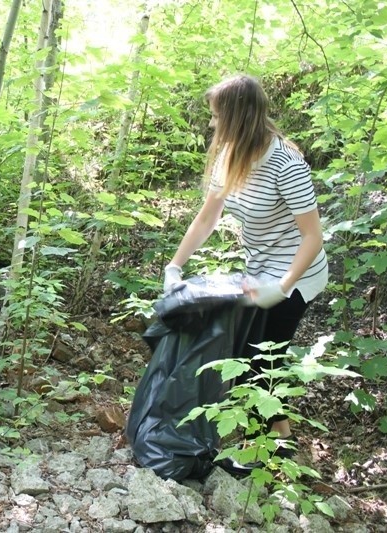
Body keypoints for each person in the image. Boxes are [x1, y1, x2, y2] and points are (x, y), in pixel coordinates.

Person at [163, 74, 329, 458]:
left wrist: (284, 286)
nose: (211, 124)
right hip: (261, 269)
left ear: (236, 116)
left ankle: (263, 451)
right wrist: (175, 266)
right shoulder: (230, 156)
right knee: (252, 354)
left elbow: (312, 236)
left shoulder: (286, 163)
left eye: (216, 116)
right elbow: (207, 219)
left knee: (259, 358)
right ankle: (283, 438)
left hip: (298, 273)